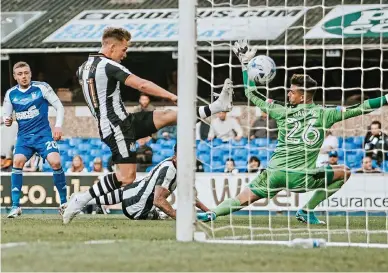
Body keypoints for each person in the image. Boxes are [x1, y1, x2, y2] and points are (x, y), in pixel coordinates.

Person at [197, 39, 388, 225]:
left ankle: (212, 213)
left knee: (242, 198)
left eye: (292, 91)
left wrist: (245, 64)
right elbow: (360, 108)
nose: (288, 94)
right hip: (300, 178)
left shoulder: (281, 111)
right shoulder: (326, 114)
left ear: (303, 96)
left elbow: (251, 93)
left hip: (274, 173)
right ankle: (307, 210)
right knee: (344, 171)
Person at [64, 27, 233, 224]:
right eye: (124, 49)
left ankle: (218, 105)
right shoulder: (109, 66)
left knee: (169, 115)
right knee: (127, 178)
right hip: (116, 127)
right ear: (111, 46)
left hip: (124, 121)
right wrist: (171, 96)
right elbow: (142, 85)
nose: (125, 54)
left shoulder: (83, 67)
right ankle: (80, 200)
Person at [2, 61, 67, 218]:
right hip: (24, 138)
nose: (24, 76)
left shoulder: (42, 87)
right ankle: (16, 206)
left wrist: (58, 126)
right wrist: (7, 120)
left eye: (26, 73)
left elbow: (59, 106)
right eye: (20, 74)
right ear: (15, 76)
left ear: (30, 73)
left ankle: (64, 203)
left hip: (43, 136)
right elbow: (6, 115)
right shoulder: (11, 94)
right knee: (17, 162)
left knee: (56, 162)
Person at [83, 144, 210, 220]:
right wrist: (178, 218)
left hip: (131, 192)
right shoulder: (170, 170)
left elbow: (189, 194)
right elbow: (158, 200)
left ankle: (80, 200)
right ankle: (81, 201)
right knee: (161, 214)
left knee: (124, 195)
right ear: (176, 156)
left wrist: (207, 210)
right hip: (137, 210)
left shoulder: (173, 163)